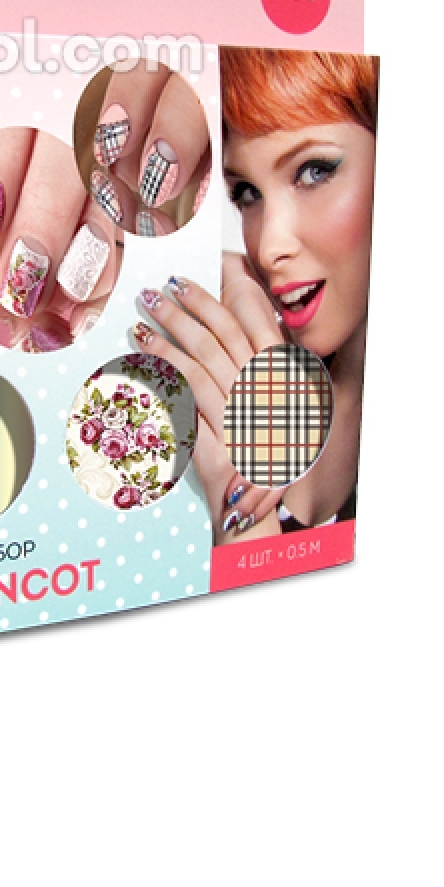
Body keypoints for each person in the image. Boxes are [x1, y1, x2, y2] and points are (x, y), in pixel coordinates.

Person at [133, 48, 377, 542]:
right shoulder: (239, 370)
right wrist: (230, 277)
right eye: (247, 193)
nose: (268, 247)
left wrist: (245, 528)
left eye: (314, 171)